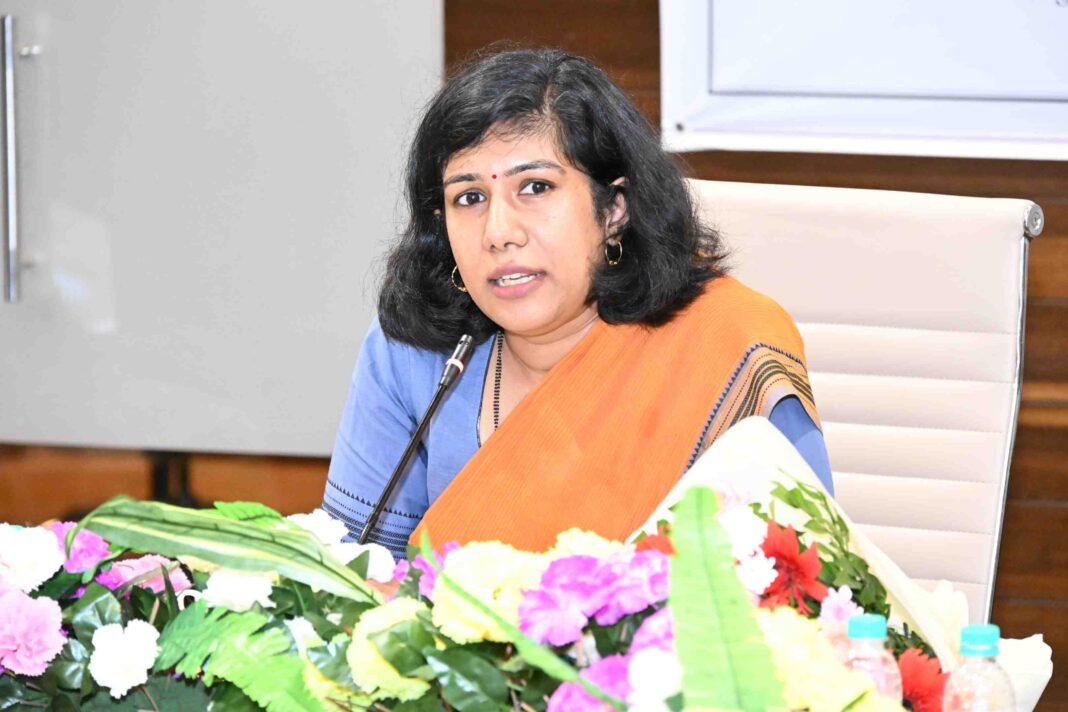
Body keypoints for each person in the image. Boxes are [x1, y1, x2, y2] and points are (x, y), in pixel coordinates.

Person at [323, 48, 833, 560]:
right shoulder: (416, 346)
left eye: (535, 187)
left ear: (613, 210)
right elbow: (352, 571)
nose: (498, 232)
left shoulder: (726, 344)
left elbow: (802, 581)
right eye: (469, 198)